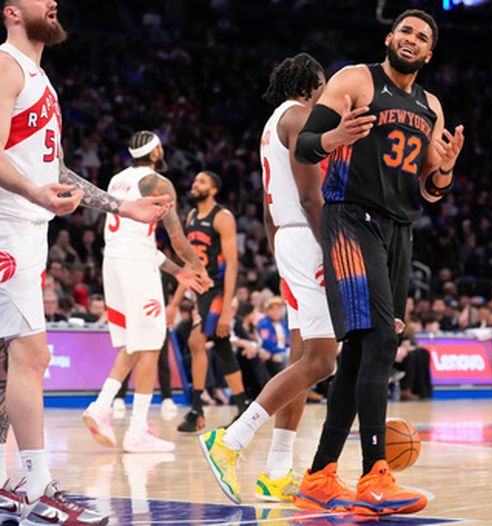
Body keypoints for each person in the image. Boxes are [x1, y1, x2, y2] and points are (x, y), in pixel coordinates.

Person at [0, 1, 170, 522]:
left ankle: (11, 485)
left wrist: (122, 206)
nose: (52, 1)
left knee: (12, 366)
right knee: (32, 358)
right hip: (7, 227)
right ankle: (37, 486)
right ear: (11, 11)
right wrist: (33, 191)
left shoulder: (40, 79)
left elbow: (55, 168)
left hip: (27, 229)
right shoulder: (6, 64)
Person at [294, 9, 462, 516]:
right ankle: (374, 477)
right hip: (350, 218)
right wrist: (332, 139)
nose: (411, 40)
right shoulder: (355, 80)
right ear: (390, 38)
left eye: (422, 37)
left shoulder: (430, 104)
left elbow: (430, 189)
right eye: (405, 31)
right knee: (381, 340)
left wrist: (446, 171)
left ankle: (321, 475)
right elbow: (303, 147)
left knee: (367, 347)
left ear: (428, 54)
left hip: (399, 229)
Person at [200, 53, 339, 504]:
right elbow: (310, 195)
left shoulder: (273, 122)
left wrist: (281, 247)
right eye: (325, 87)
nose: (328, 97)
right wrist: (331, 250)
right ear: (312, 84)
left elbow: (266, 203)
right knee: (322, 360)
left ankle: (278, 469)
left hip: (288, 238)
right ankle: (231, 441)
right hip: (307, 237)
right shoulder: (301, 116)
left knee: (302, 357)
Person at [81, 131, 208, 453]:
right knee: (151, 346)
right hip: (137, 266)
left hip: (113, 262)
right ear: (155, 153)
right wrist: (197, 265)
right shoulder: (159, 184)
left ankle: (101, 406)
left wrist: (178, 272)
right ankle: (137, 430)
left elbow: (133, 239)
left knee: (134, 345)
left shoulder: (116, 180)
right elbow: (178, 239)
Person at [174, 171, 248, 432]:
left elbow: (231, 266)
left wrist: (227, 308)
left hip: (218, 290)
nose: (195, 185)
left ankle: (196, 410)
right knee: (221, 345)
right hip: (201, 291)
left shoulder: (222, 217)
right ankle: (243, 407)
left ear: (214, 190)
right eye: (194, 181)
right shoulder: (191, 216)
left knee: (196, 341)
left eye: (202, 182)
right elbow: (188, 263)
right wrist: (174, 303)